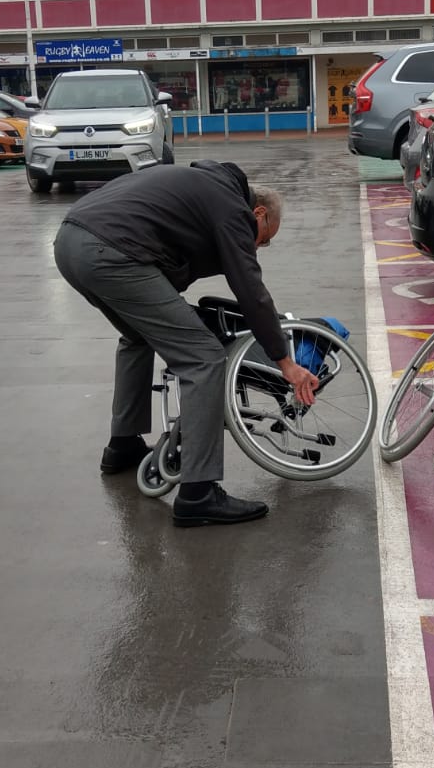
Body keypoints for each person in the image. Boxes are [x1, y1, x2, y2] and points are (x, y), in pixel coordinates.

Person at [54, 160, 318, 528]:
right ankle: (198, 492)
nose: (260, 246)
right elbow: (249, 290)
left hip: (70, 243)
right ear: (258, 213)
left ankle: (123, 446)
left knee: (136, 336)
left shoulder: (202, 187)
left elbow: (167, 254)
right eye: (265, 238)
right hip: (110, 251)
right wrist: (284, 360)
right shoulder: (231, 208)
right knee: (204, 358)